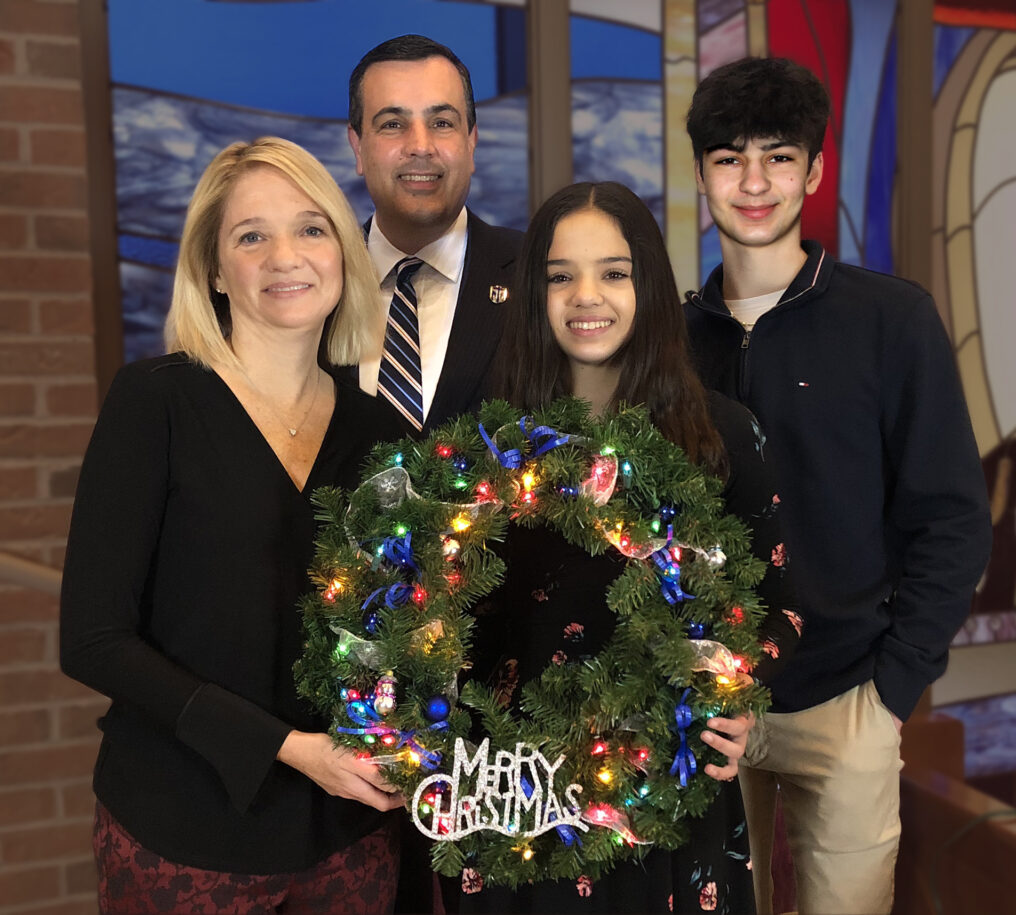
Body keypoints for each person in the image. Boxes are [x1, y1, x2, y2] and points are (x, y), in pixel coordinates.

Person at [60, 137, 407, 914]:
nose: (287, 255)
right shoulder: (156, 403)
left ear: (344, 253)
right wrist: (288, 749)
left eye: (312, 228)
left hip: (347, 837)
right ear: (215, 269)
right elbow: (91, 638)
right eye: (252, 235)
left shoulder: (382, 434)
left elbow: (401, 626)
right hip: (183, 832)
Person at [683, 57, 992, 915]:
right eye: (729, 158)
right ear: (701, 172)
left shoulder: (891, 320)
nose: (753, 182)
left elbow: (953, 518)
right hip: (705, 705)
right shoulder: (671, 341)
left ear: (814, 171)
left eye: (779, 157)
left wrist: (895, 688)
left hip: (849, 695)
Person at [457, 181, 802, 914]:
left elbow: (785, 609)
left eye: (614, 272)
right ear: (534, 294)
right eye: (561, 276)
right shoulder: (490, 444)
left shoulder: (723, 435)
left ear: (647, 283)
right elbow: (456, 621)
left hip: (670, 800)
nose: (588, 296)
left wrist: (733, 700)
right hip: (522, 801)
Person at [347, 34, 523, 433]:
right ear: (357, 147)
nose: (421, 146)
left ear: (471, 142)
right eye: (393, 125)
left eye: (441, 123)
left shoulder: (537, 275)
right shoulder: (315, 283)